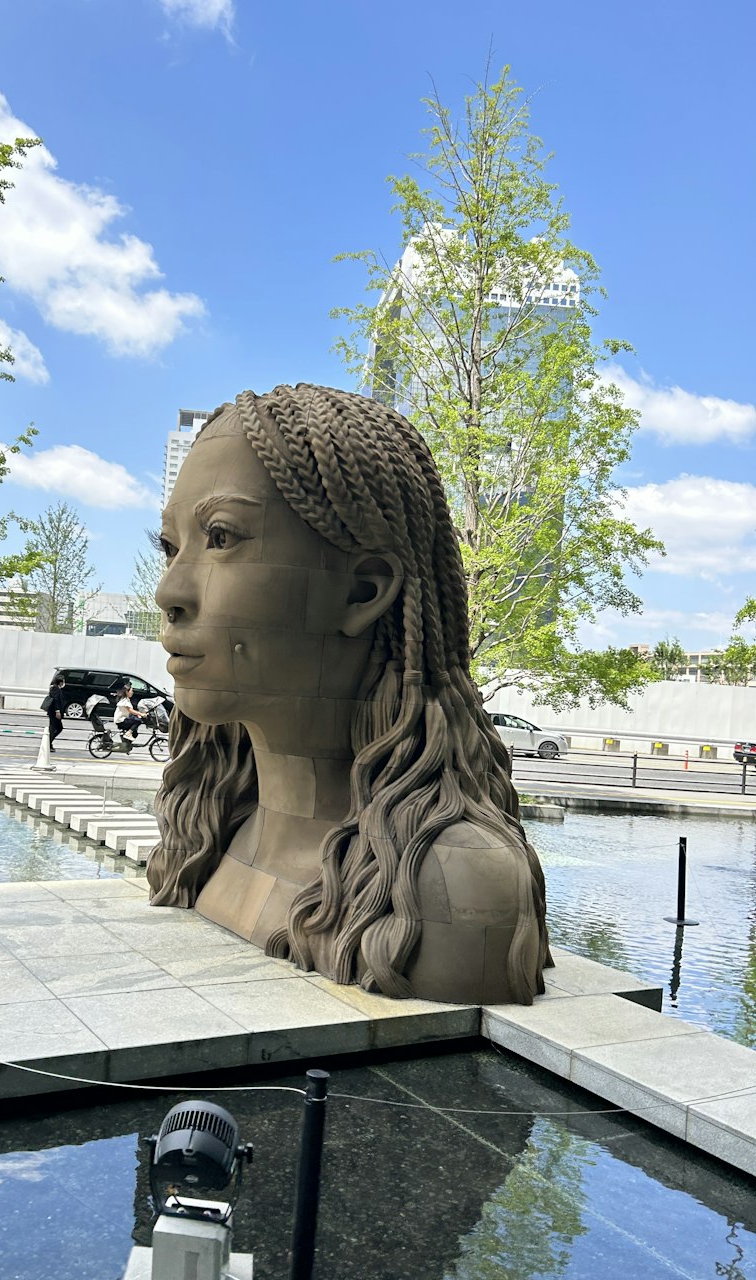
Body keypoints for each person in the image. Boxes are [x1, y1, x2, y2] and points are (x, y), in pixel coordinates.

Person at [146, 382, 549, 1006]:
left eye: (221, 538)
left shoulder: (450, 884)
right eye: (172, 547)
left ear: (363, 592)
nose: (169, 591)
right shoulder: (205, 836)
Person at [45, 674, 65, 752]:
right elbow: (56, 700)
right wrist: (57, 711)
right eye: (63, 681)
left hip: (53, 712)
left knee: (55, 728)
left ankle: (49, 743)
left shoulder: (55, 688)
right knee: (55, 728)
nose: (63, 683)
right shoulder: (55, 688)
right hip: (54, 713)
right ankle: (48, 743)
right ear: (60, 682)